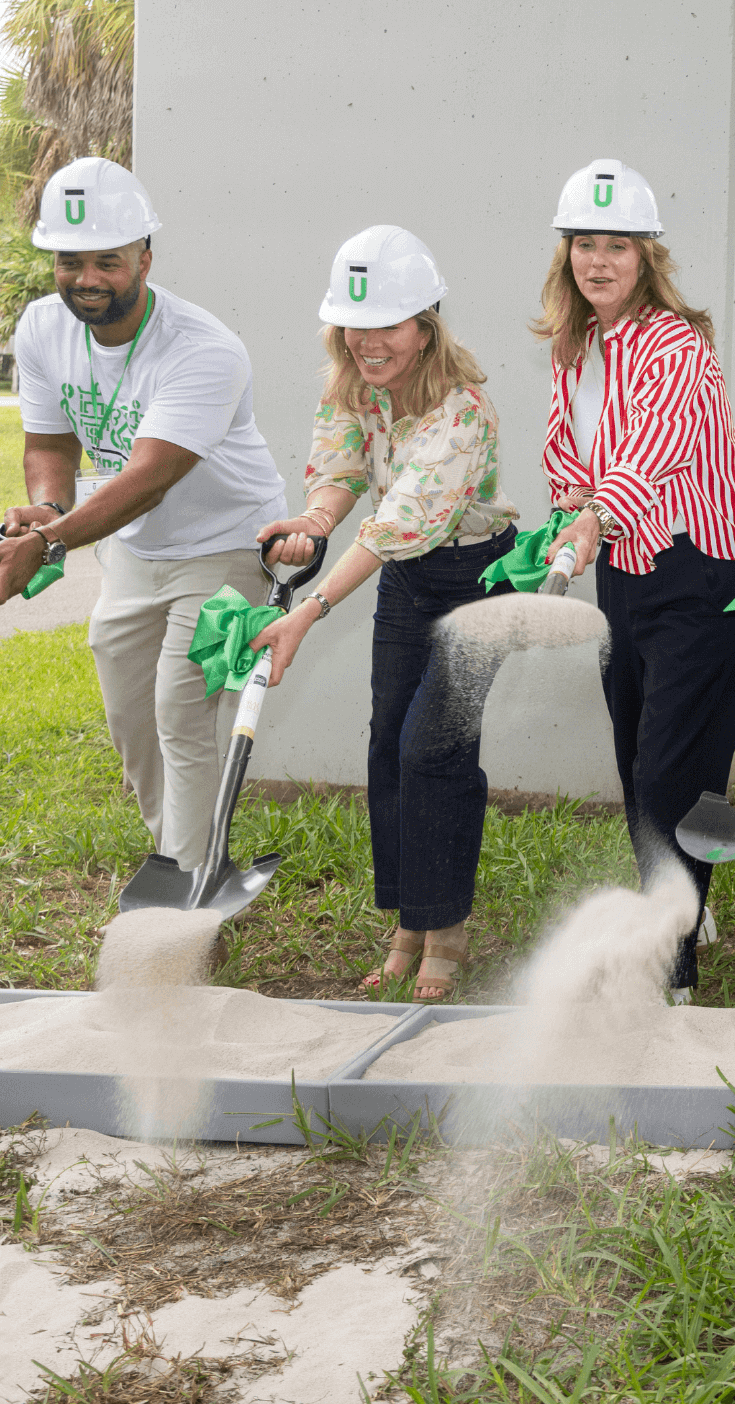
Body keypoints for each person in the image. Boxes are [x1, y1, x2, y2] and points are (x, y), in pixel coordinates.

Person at [0, 158, 286, 878]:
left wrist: (50, 541)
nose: (86, 277)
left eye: (106, 261)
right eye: (69, 260)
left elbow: (149, 476)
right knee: (132, 721)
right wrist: (48, 509)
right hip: (133, 549)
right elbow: (50, 442)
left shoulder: (203, 349)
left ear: (145, 256)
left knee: (181, 711)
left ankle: (190, 884)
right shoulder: (42, 327)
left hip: (227, 546)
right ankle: (180, 861)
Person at [243, 227, 519, 1002]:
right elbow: (340, 474)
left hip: (473, 577)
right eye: (355, 326)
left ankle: (449, 930)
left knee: (435, 748)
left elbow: (398, 520)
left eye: (387, 325)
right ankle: (409, 920)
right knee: (388, 747)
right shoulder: (351, 389)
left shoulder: (463, 412)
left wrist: (310, 610)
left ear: (426, 323)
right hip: (404, 580)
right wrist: (312, 526)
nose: (368, 342)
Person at [537, 159, 735, 1002]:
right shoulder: (577, 348)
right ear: (567, 255)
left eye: (618, 247)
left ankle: (670, 978)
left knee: (670, 769)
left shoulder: (675, 345)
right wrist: (570, 508)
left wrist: (593, 517)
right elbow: (569, 452)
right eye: (585, 244)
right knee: (641, 761)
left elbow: (650, 453)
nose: (599, 261)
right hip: (627, 575)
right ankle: (680, 903)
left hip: (703, 571)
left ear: (647, 256)